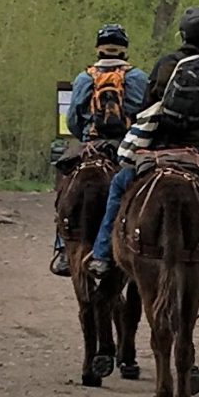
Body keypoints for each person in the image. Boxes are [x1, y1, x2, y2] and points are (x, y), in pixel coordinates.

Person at [86, 6, 199, 300]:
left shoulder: (166, 65)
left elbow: (146, 110)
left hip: (159, 153)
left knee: (119, 185)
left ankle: (102, 254)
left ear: (182, 34)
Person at [52, 25, 149, 274]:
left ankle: (62, 247)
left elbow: (73, 120)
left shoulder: (84, 78)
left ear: (98, 49)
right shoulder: (138, 77)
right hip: (127, 146)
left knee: (64, 179)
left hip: (91, 144)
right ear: (124, 50)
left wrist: (86, 138)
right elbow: (144, 113)